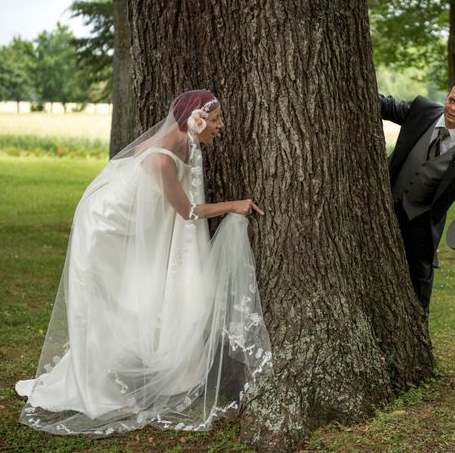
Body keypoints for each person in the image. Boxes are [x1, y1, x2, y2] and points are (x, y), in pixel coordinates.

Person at [15, 90, 273, 436]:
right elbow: (187, 211)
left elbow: (140, 158)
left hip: (122, 229)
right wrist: (232, 204)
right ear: (194, 121)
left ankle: (114, 373)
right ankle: (97, 390)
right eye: (215, 120)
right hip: (104, 228)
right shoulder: (162, 158)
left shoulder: (181, 143)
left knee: (128, 300)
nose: (221, 126)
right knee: (104, 305)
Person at [380, 76, 455, 312]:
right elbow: (388, 106)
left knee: (419, 277)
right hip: (385, 203)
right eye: (452, 99)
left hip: (422, 219)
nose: (453, 107)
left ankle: (418, 332)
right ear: (446, 96)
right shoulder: (421, 110)